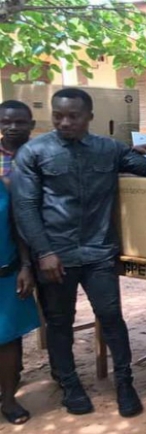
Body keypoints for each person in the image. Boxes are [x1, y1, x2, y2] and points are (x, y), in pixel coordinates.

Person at [12, 88, 146, 417]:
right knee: (60, 323)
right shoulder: (33, 153)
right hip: (55, 256)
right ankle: (70, 384)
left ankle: (124, 383)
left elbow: (141, 163)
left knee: (112, 319)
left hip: (99, 253)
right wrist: (43, 252)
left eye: (73, 116)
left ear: (89, 117)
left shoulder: (108, 149)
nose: (64, 122)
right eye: (58, 116)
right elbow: (25, 207)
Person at [0, 155, 38, 424]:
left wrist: (25, 266)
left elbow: (17, 228)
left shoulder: (5, 185)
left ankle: (9, 399)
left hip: (6, 275)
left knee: (8, 339)